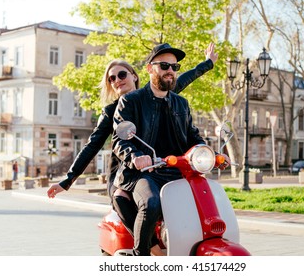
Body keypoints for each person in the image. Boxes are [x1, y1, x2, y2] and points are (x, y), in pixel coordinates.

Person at [46, 43, 218, 254]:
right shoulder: (115, 110)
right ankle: (148, 250)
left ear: (135, 76)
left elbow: (183, 81)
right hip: (126, 170)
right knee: (127, 198)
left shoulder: (168, 96)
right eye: (112, 78)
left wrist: (208, 63)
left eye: (121, 74)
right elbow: (93, 146)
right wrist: (68, 180)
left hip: (163, 167)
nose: (117, 80)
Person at [111, 43, 229, 256]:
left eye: (175, 67)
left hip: (178, 171)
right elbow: (119, 141)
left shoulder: (181, 103)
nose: (170, 71)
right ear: (149, 69)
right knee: (151, 202)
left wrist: (210, 153)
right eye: (164, 65)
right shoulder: (130, 101)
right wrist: (136, 156)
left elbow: (192, 136)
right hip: (144, 172)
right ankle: (142, 256)